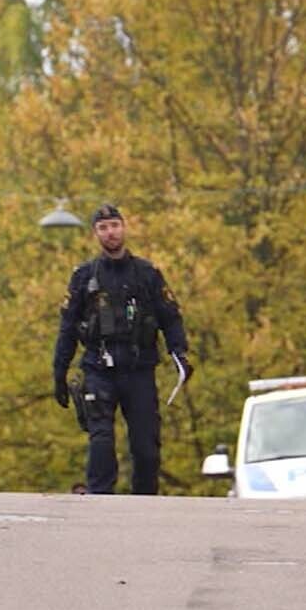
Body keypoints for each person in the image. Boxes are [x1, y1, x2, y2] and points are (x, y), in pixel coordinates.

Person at [52, 203, 192, 495]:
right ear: (95, 234)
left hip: (138, 369)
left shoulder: (147, 274)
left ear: (123, 228)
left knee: (146, 447)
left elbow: (170, 316)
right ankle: (100, 500)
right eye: (103, 228)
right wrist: (59, 371)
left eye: (115, 225)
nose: (110, 232)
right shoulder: (83, 277)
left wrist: (179, 353)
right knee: (101, 439)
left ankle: (144, 504)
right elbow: (67, 328)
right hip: (98, 369)